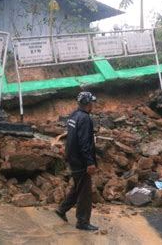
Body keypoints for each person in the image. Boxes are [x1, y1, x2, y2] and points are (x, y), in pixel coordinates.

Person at [55, 91, 98, 231]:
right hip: (81, 161)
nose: (93, 105)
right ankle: (82, 221)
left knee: (78, 186)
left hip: (73, 157)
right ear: (88, 104)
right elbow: (84, 143)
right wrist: (89, 163)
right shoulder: (85, 119)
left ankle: (62, 209)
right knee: (85, 192)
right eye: (92, 102)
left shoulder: (74, 115)